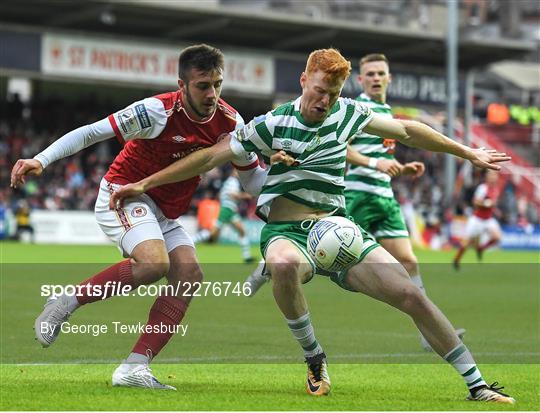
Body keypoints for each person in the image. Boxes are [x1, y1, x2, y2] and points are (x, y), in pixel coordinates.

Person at [108, 48, 514, 403]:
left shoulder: (349, 113)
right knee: (283, 265)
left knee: (411, 295)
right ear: (304, 80)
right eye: (319, 90)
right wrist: (145, 183)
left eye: (333, 94)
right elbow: (209, 156)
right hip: (287, 234)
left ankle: (477, 385)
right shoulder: (272, 124)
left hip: (339, 229)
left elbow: (408, 130)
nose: (324, 100)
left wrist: (465, 151)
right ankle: (314, 357)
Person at [10, 44, 277, 391]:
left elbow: (253, 181)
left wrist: (284, 173)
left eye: (217, 84)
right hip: (121, 193)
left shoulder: (230, 123)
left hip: (163, 211)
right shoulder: (157, 111)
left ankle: (134, 368)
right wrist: (42, 160)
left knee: (190, 274)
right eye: (202, 85)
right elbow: (93, 132)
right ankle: (66, 300)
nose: (211, 94)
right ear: (181, 85)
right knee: (153, 263)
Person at [344, 53, 465, 350]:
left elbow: (383, 157)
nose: (375, 78)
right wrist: (375, 164)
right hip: (358, 194)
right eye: (369, 73)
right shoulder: (356, 108)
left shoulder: (386, 111)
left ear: (389, 78)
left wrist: (402, 167)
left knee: (409, 261)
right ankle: (270, 264)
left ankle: (427, 335)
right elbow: (341, 148)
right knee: (323, 253)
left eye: (380, 73)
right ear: (360, 80)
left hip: (385, 197)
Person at [193, 169, 255, 262]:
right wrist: (247, 196)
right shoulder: (232, 181)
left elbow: (223, 194)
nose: (240, 173)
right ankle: (190, 240)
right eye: (238, 171)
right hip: (227, 209)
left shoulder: (230, 181)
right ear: (234, 172)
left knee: (241, 231)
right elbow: (233, 195)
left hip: (231, 210)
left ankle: (247, 257)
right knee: (212, 233)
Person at [453, 170, 502, 270]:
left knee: (497, 237)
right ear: (487, 177)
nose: (494, 177)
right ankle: (456, 260)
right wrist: (485, 204)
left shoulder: (496, 189)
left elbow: (494, 202)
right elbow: (475, 202)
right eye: (491, 175)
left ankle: (481, 248)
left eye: (495, 175)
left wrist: (494, 208)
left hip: (488, 219)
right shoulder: (483, 188)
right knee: (466, 243)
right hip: (477, 219)